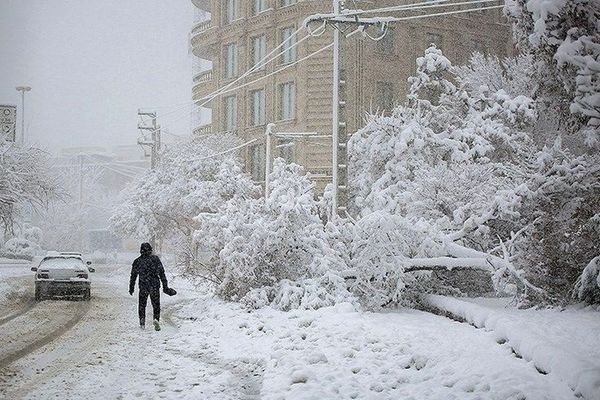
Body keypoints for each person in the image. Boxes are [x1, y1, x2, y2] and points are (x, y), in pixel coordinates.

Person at [129, 242, 169, 331]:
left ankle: (142, 321)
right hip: (154, 286)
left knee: (142, 305)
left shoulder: (137, 261)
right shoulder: (155, 259)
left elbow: (133, 276)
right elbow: (162, 273)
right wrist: (165, 286)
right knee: (156, 305)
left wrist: (131, 287)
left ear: (141, 250)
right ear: (150, 250)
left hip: (143, 286)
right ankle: (156, 319)